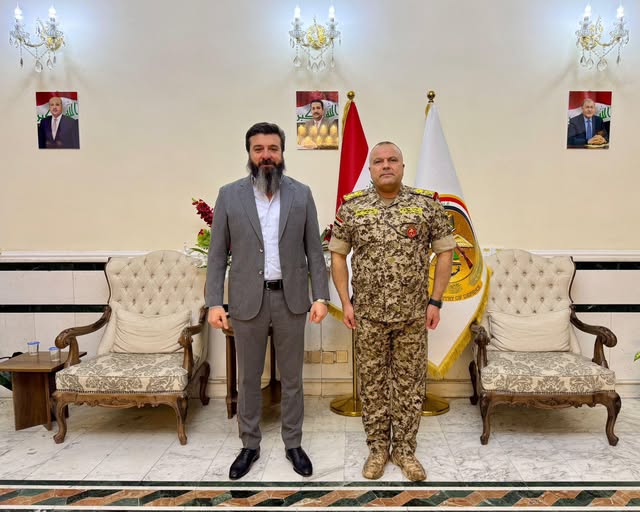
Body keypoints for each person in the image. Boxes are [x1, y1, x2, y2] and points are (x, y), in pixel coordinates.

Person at [206, 122, 330, 480]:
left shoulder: (301, 194)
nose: (266, 155)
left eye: (272, 148)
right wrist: (215, 302)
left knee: (292, 378)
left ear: (282, 152)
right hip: (247, 300)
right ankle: (249, 444)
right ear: (249, 153)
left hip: (291, 300)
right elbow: (217, 254)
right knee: (248, 378)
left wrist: (321, 296)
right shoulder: (229, 195)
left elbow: (314, 251)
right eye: (258, 149)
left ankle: (294, 443)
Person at [329, 141, 455, 482]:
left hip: (413, 315)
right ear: (370, 169)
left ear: (402, 166)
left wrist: (436, 300)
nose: (386, 165)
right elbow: (338, 254)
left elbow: (446, 251)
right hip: (368, 315)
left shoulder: (426, 205)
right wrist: (346, 302)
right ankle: (377, 450)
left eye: (392, 160)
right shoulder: (352, 208)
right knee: (372, 386)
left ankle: (405, 451)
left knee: (410, 386)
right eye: (379, 161)